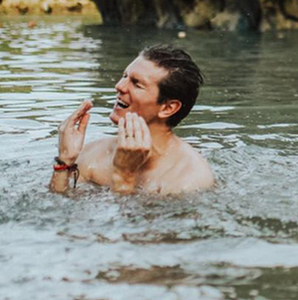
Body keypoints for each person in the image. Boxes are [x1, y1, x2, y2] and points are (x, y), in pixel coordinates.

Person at [50, 45, 215, 195]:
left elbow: (127, 227)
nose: (119, 86)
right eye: (124, 76)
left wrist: (124, 177)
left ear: (167, 108)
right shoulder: (93, 152)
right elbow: (57, 214)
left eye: (136, 83)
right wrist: (64, 161)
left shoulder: (188, 179)